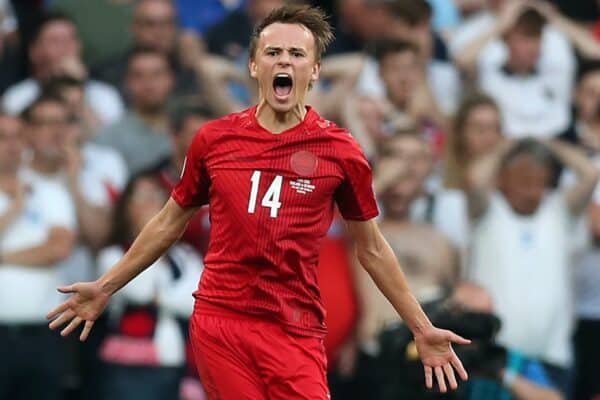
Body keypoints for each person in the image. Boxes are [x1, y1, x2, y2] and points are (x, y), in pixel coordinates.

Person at [47, 6, 470, 399]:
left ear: (315, 70)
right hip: (223, 319)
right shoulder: (214, 139)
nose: (284, 61)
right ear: (254, 66)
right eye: (272, 52)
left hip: (294, 327)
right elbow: (168, 222)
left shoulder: (340, 151)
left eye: (297, 53)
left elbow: (372, 248)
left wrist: (421, 326)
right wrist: (106, 286)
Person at [467, 138, 599, 393]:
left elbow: (591, 174)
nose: (532, 191)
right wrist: (511, 143)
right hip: (495, 360)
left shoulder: (558, 211)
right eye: (524, 181)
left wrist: (546, 142)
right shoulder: (487, 212)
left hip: (551, 358)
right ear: (503, 178)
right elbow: (474, 177)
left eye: (540, 182)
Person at [97, 172, 203, 400]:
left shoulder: (185, 256)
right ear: (126, 207)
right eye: (143, 196)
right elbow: (142, 291)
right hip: (131, 371)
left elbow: (198, 300)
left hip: (178, 366)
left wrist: (162, 296)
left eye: (157, 196)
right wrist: (152, 236)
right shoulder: (113, 257)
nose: (151, 204)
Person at [0, 112, 77, 400]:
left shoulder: (50, 192)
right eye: (2, 137)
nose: (11, 144)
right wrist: (16, 206)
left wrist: (2, 257)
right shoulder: (27, 194)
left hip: (42, 335)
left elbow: (58, 249)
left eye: (16, 136)